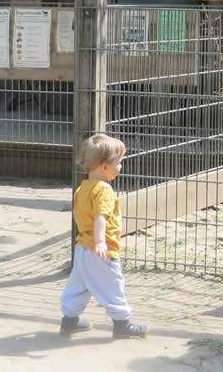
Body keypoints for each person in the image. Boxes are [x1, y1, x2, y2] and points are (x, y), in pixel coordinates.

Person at [59, 133, 148, 339]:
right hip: (100, 249)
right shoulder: (104, 191)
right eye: (119, 162)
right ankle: (122, 324)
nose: (121, 166)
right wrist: (100, 242)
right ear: (105, 167)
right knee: (113, 285)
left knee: (78, 287)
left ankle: (69, 322)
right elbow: (100, 217)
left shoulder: (82, 188)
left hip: (82, 248)